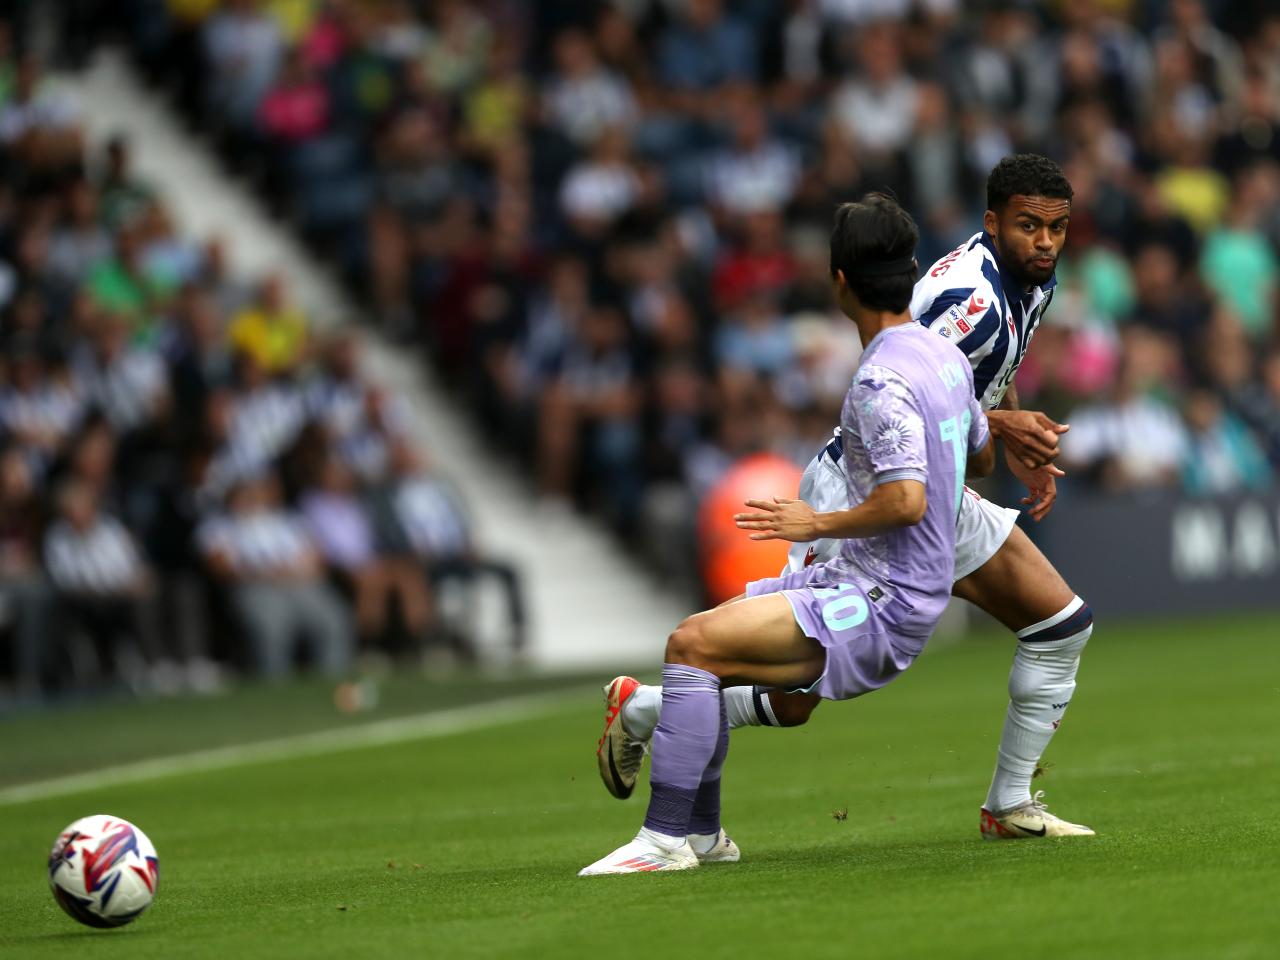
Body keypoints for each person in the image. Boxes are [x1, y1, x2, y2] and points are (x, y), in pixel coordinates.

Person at [600, 155, 1097, 842]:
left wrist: (1013, 429)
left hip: (935, 490)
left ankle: (1008, 805)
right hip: (872, 488)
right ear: (993, 223)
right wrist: (1006, 430)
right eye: (1029, 226)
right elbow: (922, 388)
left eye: (1057, 228)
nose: (1044, 241)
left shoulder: (1032, 281)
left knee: (1060, 625)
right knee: (793, 694)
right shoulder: (965, 303)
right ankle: (649, 711)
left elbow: (988, 376)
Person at [580, 193, 995, 875]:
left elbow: (907, 500)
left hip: (881, 599)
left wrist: (816, 521)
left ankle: (662, 842)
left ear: (838, 282)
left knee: (689, 645)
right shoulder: (941, 355)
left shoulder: (880, 378)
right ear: (911, 270)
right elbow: (980, 452)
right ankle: (707, 837)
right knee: (707, 648)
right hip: (883, 585)